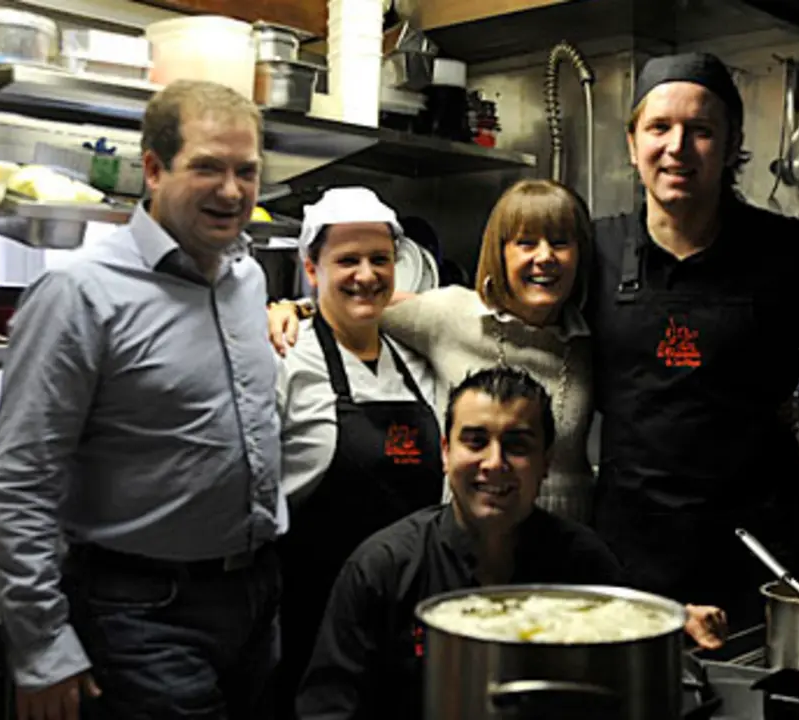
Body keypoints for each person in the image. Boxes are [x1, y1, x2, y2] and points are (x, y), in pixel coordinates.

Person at [0, 80, 284, 720]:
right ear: (153, 169)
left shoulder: (247, 278)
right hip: (139, 610)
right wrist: (41, 643)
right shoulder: (81, 294)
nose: (232, 191)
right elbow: (20, 480)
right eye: (208, 167)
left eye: (246, 171)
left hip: (254, 598)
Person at [588, 52, 799, 628]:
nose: (677, 147)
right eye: (659, 127)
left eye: (701, 130)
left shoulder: (793, 254)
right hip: (630, 557)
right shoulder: (593, 250)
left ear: (732, 144)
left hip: (761, 553)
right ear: (632, 143)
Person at [296, 367, 728, 720]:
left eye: (517, 445)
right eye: (475, 441)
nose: (495, 463)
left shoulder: (583, 564)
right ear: (445, 453)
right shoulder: (383, 568)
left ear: (546, 461)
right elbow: (328, 710)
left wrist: (673, 628)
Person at [273, 179, 598, 524]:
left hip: (560, 533)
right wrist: (293, 308)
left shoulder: (591, 338)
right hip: (456, 538)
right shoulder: (451, 316)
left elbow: (370, 297)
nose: (544, 257)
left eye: (560, 243)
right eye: (526, 243)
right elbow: (361, 303)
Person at [274, 187, 444, 716]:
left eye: (380, 259)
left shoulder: (417, 358)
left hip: (408, 622)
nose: (366, 275)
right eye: (347, 260)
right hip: (309, 619)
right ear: (311, 267)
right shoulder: (283, 357)